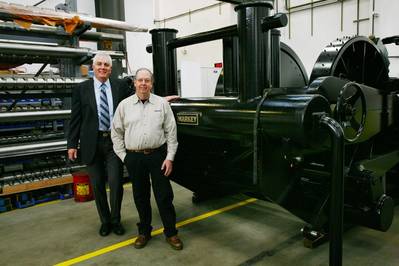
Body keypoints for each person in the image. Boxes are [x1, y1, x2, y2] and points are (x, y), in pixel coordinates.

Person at [111, 68, 183, 250]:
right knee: (140, 196)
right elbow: (116, 133)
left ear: (151, 84)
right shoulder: (124, 106)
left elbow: (171, 133)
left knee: (164, 196)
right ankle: (144, 231)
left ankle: (171, 233)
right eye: (140, 80)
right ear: (135, 82)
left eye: (147, 80)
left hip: (158, 156)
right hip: (134, 157)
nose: (143, 83)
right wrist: (124, 157)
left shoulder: (161, 104)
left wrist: (170, 158)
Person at [67, 52, 131, 237]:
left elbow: (137, 98)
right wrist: (72, 144)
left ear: (111, 69)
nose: (103, 67)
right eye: (99, 64)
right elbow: (75, 118)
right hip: (91, 143)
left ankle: (116, 220)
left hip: (114, 142)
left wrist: (160, 100)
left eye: (106, 65)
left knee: (116, 182)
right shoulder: (81, 89)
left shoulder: (120, 86)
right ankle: (105, 221)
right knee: (97, 185)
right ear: (93, 67)